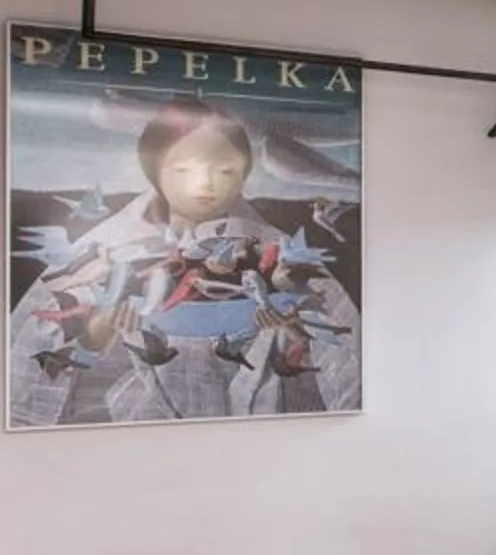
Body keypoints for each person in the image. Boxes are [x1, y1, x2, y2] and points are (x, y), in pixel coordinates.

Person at [7, 98, 362, 425]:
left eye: (224, 171)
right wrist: (95, 336)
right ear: (154, 168)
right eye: (183, 170)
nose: (205, 184)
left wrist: (290, 335)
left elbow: (346, 373)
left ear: (243, 172)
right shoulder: (104, 248)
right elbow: (26, 385)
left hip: (254, 440)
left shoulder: (280, 251)